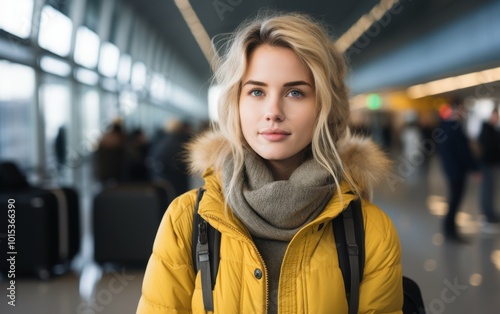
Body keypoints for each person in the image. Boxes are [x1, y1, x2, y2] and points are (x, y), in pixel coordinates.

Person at [137, 12, 403, 313]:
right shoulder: (187, 221)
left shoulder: (370, 230)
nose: (273, 111)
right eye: (256, 91)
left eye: (295, 92)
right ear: (235, 103)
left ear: (325, 107)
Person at [436, 98, 479, 242]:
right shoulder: (454, 127)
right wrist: (474, 168)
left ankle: (450, 229)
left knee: (453, 201)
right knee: (455, 201)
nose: (464, 112)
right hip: (457, 172)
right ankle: (450, 231)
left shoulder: (444, 127)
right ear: (456, 109)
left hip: (451, 170)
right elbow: (463, 152)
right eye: (462, 109)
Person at [477, 104, 500, 232]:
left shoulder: (495, 130)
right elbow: (487, 147)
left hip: (494, 164)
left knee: (492, 190)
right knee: (486, 190)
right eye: (495, 116)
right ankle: (487, 214)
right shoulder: (486, 129)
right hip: (486, 164)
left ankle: (491, 212)